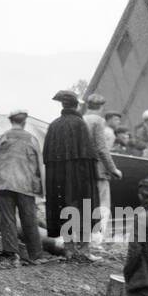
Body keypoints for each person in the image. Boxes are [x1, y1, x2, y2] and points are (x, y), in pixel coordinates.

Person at [43, 90, 100, 262]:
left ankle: (68, 250)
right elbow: (89, 156)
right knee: (85, 206)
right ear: (76, 105)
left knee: (63, 206)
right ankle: (83, 250)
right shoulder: (80, 124)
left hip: (58, 178)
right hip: (79, 177)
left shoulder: (54, 125)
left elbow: (47, 156)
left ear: (63, 105)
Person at [0, 110, 46, 266]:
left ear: (11, 121)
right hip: (25, 185)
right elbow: (39, 164)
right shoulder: (32, 139)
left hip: (4, 184)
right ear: (24, 122)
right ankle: (36, 255)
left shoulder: (3, 137)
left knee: (7, 219)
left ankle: (12, 255)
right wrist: (42, 189)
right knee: (29, 219)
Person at [82, 94, 122, 246]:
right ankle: (97, 239)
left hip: (83, 170)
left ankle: (84, 238)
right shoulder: (100, 123)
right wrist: (113, 169)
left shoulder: (81, 119)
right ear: (101, 107)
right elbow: (102, 150)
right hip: (99, 171)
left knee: (87, 203)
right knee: (103, 205)